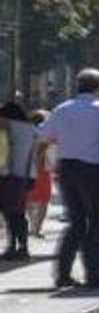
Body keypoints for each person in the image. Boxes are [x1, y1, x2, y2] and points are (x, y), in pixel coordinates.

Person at [36, 69, 99, 289]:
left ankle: (63, 274)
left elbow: (45, 137)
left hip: (67, 169)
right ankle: (95, 274)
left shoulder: (61, 109)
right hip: (93, 169)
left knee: (76, 222)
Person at [1, 103, 39, 261]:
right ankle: (23, 246)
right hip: (27, 175)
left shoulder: (6, 126)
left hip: (8, 175)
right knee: (18, 212)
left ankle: (12, 246)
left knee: (9, 213)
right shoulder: (31, 129)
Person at [26, 110, 52, 239]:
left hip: (29, 169)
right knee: (44, 200)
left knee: (29, 198)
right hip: (44, 170)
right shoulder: (47, 133)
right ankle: (37, 228)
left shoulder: (27, 133)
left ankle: (32, 225)